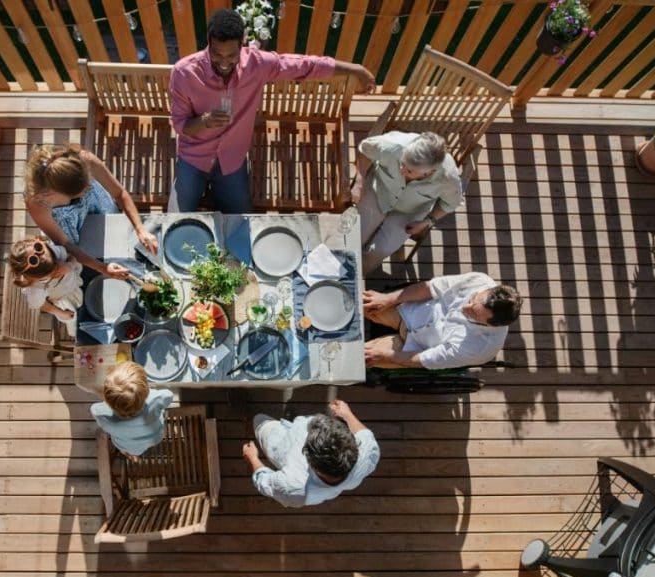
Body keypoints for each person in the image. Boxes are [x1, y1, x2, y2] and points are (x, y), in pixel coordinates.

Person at [168, 9, 376, 213]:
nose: (224, 62)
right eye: (217, 54)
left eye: (231, 55)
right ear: (208, 43)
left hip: (231, 160)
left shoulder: (257, 64)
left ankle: (214, 194)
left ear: (242, 45)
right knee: (173, 222)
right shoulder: (184, 73)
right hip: (193, 158)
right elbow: (180, 125)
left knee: (243, 222)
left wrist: (354, 69)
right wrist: (205, 121)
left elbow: (305, 65)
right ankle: (207, 193)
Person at [23, 144, 158, 280]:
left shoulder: (85, 160)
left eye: (88, 186)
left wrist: (140, 229)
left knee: (118, 242)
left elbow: (120, 193)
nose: (85, 192)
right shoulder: (37, 203)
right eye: (78, 194)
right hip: (71, 232)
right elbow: (65, 243)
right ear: (52, 194)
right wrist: (102, 268)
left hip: (100, 208)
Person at [353, 131, 464, 274]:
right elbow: (365, 150)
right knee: (352, 237)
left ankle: (356, 276)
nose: (401, 169)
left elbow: (450, 204)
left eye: (409, 170)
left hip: (409, 212)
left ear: (429, 173)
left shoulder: (448, 177)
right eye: (402, 163)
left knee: (379, 251)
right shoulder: (392, 145)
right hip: (378, 193)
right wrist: (359, 180)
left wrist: (427, 222)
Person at [363, 272, 522, 369]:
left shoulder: (480, 348)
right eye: (473, 299)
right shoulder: (479, 280)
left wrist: (383, 355)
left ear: (490, 325)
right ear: (487, 290)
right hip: (408, 312)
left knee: (360, 356)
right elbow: (430, 288)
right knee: (357, 302)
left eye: (473, 313)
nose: (464, 308)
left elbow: (421, 359)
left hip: (413, 348)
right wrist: (387, 299)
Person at [241, 400, 379, 508]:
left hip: (278, 444)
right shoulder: (367, 454)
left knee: (259, 420)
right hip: (292, 432)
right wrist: (347, 415)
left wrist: (252, 458)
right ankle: (288, 421)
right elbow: (365, 434)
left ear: (312, 463)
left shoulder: (295, 488)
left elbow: (264, 482)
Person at [90, 361, 175, 458]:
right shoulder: (155, 398)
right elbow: (169, 395)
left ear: (107, 399)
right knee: (158, 416)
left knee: (129, 448)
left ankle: (130, 454)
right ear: (146, 390)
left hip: (125, 444)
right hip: (154, 438)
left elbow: (93, 409)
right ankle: (134, 453)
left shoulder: (103, 415)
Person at [7, 236, 84, 337]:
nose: (57, 271)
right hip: (65, 296)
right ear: (34, 279)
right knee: (75, 317)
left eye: (57, 265)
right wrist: (62, 313)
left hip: (72, 278)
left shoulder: (51, 249)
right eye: (52, 273)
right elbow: (43, 305)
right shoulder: (35, 289)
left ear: (40, 243)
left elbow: (72, 257)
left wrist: (69, 265)